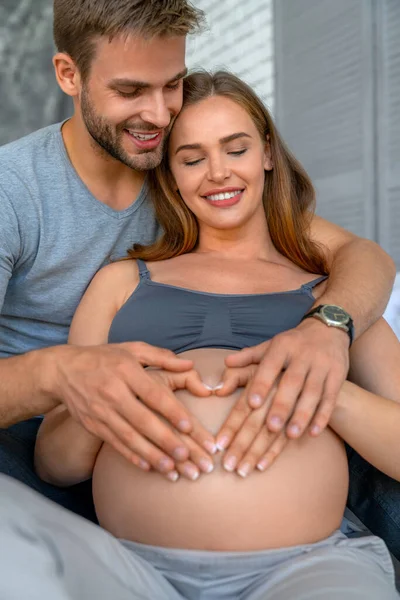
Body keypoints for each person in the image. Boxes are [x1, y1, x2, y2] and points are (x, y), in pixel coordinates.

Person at [1, 69, 399, 600]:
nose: (217, 174)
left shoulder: (333, 296)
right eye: (191, 159)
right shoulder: (121, 282)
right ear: (170, 175)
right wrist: (122, 399)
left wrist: (324, 392)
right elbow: (53, 465)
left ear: (267, 154)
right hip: (129, 567)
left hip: (307, 568)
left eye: (235, 150)